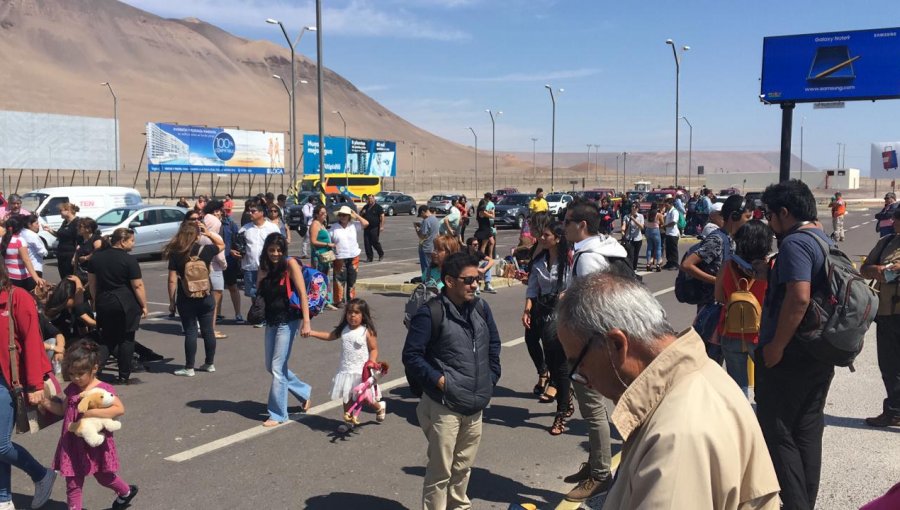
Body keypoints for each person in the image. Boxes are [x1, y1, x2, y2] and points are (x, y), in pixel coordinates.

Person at [556, 272, 780, 509]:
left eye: (579, 363)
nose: (583, 379)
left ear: (616, 345)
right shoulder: (697, 378)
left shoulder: (676, 437)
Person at [757, 179, 835, 510]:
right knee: (807, 431)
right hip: (818, 352)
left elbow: (799, 298)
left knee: (779, 435)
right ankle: (805, 503)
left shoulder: (794, 244)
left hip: (790, 357)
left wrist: (776, 346)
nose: (768, 222)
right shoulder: (823, 239)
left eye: (769, 215)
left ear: (784, 213)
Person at [402, 252, 501, 509]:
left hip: (475, 402)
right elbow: (412, 356)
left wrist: (491, 378)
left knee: (463, 467)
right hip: (444, 405)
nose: (475, 285)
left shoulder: (481, 307)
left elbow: (493, 344)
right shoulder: (431, 313)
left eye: (477, 279)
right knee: (440, 471)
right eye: (468, 280)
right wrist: (440, 381)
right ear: (449, 281)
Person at [560, 198, 625, 502]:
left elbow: (591, 306)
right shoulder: (606, 247)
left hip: (591, 345)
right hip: (607, 340)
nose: (563, 226)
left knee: (593, 408)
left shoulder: (587, 257)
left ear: (581, 225)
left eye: (567, 221)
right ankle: (597, 466)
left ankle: (600, 474)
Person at [40, 340, 138, 510]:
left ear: (94, 368)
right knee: (73, 483)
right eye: (72, 374)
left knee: (104, 476)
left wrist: (92, 413)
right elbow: (63, 410)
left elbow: (119, 409)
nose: (76, 378)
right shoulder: (71, 388)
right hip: (71, 443)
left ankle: (125, 491)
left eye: (80, 373)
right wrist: (45, 403)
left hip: (97, 443)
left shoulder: (102, 390)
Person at [0, 262, 58, 510]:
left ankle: (41, 474)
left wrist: (35, 384)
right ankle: (4, 499)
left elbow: (33, 341)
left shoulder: (17, 297)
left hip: (10, 380)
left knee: (0, 444)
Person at [680, 195, 751, 361]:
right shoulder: (717, 239)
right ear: (734, 216)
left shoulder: (730, 239)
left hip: (722, 307)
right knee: (710, 360)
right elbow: (688, 265)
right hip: (712, 308)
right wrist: (717, 282)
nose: (748, 221)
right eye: (747, 217)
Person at [522, 221, 573, 435]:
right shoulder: (539, 260)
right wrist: (527, 310)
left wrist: (566, 295)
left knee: (557, 360)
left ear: (557, 239)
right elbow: (532, 288)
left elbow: (577, 283)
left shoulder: (569, 261)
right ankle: (561, 391)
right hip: (541, 308)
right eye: (541, 235)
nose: (541, 238)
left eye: (546, 235)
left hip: (560, 311)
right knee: (534, 342)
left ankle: (562, 411)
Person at [256, 233, 312, 427]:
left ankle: (278, 413)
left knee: (278, 367)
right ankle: (303, 391)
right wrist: (261, 276)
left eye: (279, 250)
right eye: (271, 250)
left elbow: (303, 294)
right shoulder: (264, 267)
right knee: (270, 366)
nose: (275, 254)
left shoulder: (290, 265)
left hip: (288, 320)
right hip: (271, 320)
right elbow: (259, 293)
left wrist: (306, 322)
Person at [714, 219, 772, 397]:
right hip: (760, 334)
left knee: (738, 386)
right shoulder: (769, 269)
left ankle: (743, 421)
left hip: (730, 330)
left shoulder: (727, 266)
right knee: (766, 384)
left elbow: (718, 297)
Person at [308, 298, 385, 432]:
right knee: (346, 396)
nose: (352, 316)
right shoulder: (343, 329)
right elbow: (329, 336)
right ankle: (348, 422)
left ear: (363, 315)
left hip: (362, 372)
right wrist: (312, 333)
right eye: (349, 312)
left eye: (356, 313)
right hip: (346, 369)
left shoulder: (366, 331)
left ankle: (379, 407)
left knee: (366, 399)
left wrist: (371, 361)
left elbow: (374, 349)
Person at [87, 228, 148, 385]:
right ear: (122, 241)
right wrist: (144, 304)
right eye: (131, 240)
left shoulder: (96, 258)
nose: (133, 244)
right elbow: (137, 285)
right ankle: (123, 375)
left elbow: (92, 283)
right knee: (126, 339)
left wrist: (95, 301)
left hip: (103, 301)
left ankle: (94, 370)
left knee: (107, 339)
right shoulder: (129, 260)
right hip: (125, 302)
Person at [165, 221, 224, 377]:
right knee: (208, 331)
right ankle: (209, 363)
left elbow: (172, 280)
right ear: (197, 235)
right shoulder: (205, 250)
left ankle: (189, 367)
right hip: (205, 294)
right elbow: (222, 245)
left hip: (186, 296)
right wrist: (208, 233)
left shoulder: (176, 253)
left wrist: (172, 301)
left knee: (191, 331)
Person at [860, 207, 900, 427]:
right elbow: (864, 269)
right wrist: (878, 270)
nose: (894, 222)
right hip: (886, 315)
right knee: (889, 366)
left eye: (897, 218)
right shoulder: (886, 243)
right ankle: (894, 410)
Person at [238, 197, 281, 311]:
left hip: (267, 266)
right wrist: (235, 252)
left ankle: (267, 313)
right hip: (250, 266)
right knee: (253, 293)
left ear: (261, 213)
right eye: (249, 211)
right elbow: (237, 246)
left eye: (253, 211)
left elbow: (279, 245)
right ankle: (259, 312)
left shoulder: (272, 228)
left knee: (268, 291)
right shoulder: (244, 229)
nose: (250, 213)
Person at [201, 201, 229, 338]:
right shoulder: (215, 236)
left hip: (201, 271)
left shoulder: (199, 237)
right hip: (215, 270)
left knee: (203, 302)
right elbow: (221, 258)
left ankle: (203, 327)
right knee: (214, 304)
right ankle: (211, 329)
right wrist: (225, 266)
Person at [331, 206, 368, 307]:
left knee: (352, 279)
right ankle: (339, 300)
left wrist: (356, 215)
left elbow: (366, 223)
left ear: (349, 217)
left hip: (353, 255)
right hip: (340, 257)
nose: (342, 217)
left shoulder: (353, 225)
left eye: (345, 215)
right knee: (339, 280)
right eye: (341, 215)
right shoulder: (334, 227)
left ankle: (351, 299)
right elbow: (329, 240)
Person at [2, 215, 46, 291]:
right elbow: (26, 260)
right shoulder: (19, 240)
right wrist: (36, 277)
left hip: (7, 275)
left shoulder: (2, 240)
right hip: (20, 277)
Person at [42, 202, 81, 279]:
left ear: (68, 211)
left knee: (70, 277)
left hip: (70, 255)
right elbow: (60, 235)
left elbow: (79, 241)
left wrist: (75, 256)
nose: (60, 213)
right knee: (63, 277)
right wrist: (49, 230)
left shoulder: (77, 222)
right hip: (61, 254)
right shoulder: (65, 222)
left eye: (61, 211)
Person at [309, 204, 337, 311]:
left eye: (325, 213)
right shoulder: (315, 224)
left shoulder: (322, 224)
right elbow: (313, 241)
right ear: (316, 214)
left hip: (326, 256)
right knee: (318, 279)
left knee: (325, 279)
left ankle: (326, 301)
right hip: (319, 256)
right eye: (322, 213)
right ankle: (317, 303)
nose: (324, 215)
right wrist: (327, 245)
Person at [74, 218, 103, 283]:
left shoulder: (96, 239)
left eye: (80, 226)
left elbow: (98, 252)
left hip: (92, 273)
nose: (77, 228)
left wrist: (86, 258)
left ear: (88, 229)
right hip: (81, 272)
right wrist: (75, 273)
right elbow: (77, 255)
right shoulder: (80, 239)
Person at [359, 194, 385, 263]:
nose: (370, 200)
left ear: (374, 199)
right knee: (367, 243)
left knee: (375, 242)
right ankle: (369, 257)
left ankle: (381, 254)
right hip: (367, 227)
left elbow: (382, 216)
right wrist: (362, 213)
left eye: (371, 198)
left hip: (375, 227)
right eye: (369, 199)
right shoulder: (366, 207)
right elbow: (360, 215)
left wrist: (382, 226)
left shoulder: (378, 207)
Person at [415, 205, 440, 276]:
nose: (421, 217)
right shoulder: (435, 219)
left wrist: (417, 229)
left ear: (423, 212)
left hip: (425, 247)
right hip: (433, 247)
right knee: (432, 266)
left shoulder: (426, 221)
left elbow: (422, 235)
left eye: (421, 215)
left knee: (425, 268)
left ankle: (426, 282)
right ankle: (432, 280)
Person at [662, 197, 681, 269]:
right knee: (668, 249)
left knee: (673, 250)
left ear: (671, 204)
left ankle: (675, 264)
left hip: (673, 233)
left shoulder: (674, 211)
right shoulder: (668, 211)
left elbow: (674, 222)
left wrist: (665, 226)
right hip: (668, 233)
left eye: (666, 205)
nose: (665, 206)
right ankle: (669, 262)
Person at [644, 203, 663, 272]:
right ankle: (658, 263)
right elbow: (662, 222)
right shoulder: (658, 215)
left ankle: (648, 263)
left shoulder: (648, 214)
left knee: (649, 247)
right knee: (658, 248)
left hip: (648, 230)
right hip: (655, 231)